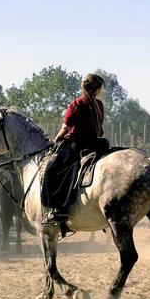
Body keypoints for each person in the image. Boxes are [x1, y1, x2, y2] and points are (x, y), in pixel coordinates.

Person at [41, 73, 110, 225]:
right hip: (97, 144)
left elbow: (67, 127)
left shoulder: (77, 104)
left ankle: (57, 210)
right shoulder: (99, 105)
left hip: (78, 145)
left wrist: (57, 138)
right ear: (97, 90)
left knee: (51, 170)